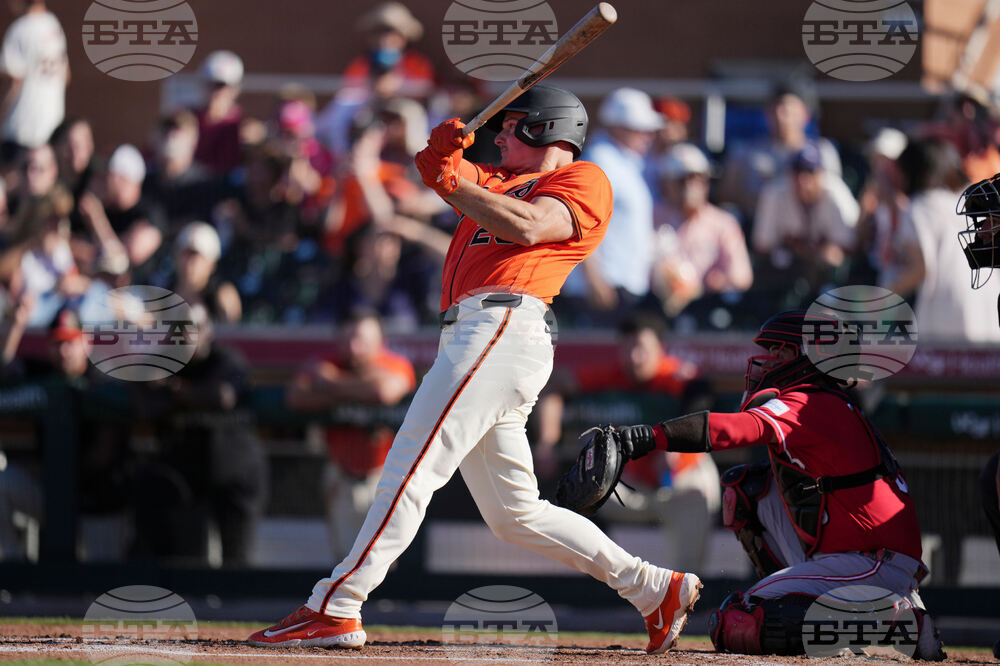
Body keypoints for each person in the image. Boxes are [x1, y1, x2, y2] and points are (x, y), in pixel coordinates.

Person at [249, 84, 702, 654]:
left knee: (411, 463)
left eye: (514, 126)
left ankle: (338, 603)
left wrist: (453, 178)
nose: (502, 135)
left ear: (545, 128)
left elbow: (532, 225)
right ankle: (653, 588)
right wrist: (441, 157)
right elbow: (451, 179)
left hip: (502, 326)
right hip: (476, 336)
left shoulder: (585, 179)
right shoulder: (500, 180)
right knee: (516, 514)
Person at [591, 310, 945, 659]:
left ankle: (896, 624)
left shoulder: (811, 402)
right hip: (857, 556)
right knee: (747, 490)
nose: (768, 360)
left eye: (781, 351)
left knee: (740, 620)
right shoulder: (823, 400)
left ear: (809, 359)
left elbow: (733, 430)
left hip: (873, 562)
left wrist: (648, 438)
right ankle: (826, 604)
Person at [534, 314, 719, 572]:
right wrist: (547, 442)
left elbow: (700, 400)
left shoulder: (674, 374)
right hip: (629, 487)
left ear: (659, 349)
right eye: (628, 348)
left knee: (698, 493)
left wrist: (675, 445)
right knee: (577, 492)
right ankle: (597, 590)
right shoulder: (614, 375)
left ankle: (689, 592)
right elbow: (555, 386)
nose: (635, 357)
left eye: (642, 348)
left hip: (679, 481)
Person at [286, 311, 416, 561]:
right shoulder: (327, 363)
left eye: (362, 340)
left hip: (385, 478)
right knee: (345, 565)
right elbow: (297, 396)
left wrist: (331, 385)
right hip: (341, 477)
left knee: (386, 564)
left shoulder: (394, 363)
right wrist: (355, 388)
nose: (354, 348)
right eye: (348, 339)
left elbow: (383, 391)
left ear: (379, 341)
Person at [560, 87, 663, 324]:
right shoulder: (600, 161)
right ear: (618, 127)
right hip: (602, 289)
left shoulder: (626, 163)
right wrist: (594, 280)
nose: (649, 136)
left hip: (623, 285)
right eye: (640, 129)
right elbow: (579, 222)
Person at [903, 139, 1000, 342]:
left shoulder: (919, 206)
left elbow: (920, 269)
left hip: (946, 306)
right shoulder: (968, 201)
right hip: (987, 302)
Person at [652, 143, 753, 316]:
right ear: (667, 184)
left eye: (697, 179)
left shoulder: (723, 224)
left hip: (706, 308)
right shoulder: (652, 218)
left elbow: (742, 277)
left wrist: (713, 281)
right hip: (656, 307)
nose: (690, 186)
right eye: (682, 180)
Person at [752, 144, 858, 305]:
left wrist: (808, 249)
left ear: (821, 174)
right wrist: (802, 249)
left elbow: (849, 246)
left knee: (837, 265)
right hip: (786, 269)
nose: (803, 180)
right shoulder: (774, 192)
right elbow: (762, 245)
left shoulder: (836, 193)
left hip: (824, 271)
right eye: (798, 172)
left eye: (810, 172)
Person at [719, 86, 841, 221]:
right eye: (775, 110)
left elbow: (832, 197)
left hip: (809, 228)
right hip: (755, 224)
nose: (781, 117)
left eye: (788, 111)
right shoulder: (745, 153)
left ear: (805, 115)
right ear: (767, 114)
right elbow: (728, 197)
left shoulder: (823, 151)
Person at [0, 0, 68, 164]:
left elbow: (12, 82)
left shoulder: (20, 29)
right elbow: (66, 76)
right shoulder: (54, 24)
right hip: (52, 129)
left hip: (21, 129)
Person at [194, 50, 244, 174]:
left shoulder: (241, 126)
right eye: (210, 84)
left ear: (235, 89)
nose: (215, 92)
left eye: (221, 86)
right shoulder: (188, 121)